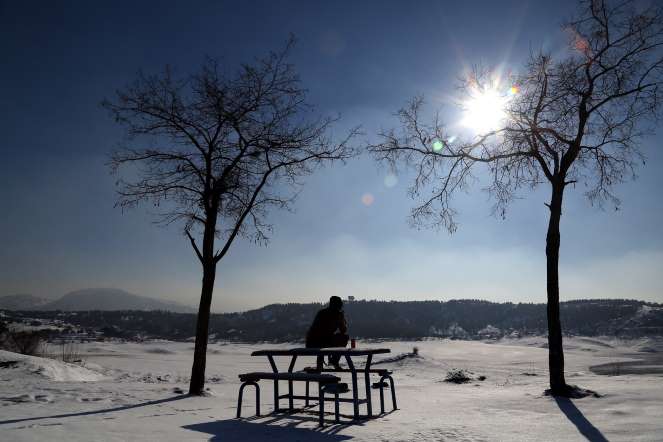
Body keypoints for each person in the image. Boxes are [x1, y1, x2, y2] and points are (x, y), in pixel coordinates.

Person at [305, 296, 349, 368]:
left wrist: (342, 319)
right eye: (340, 305)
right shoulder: (324, 313)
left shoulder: (328, 313)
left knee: (343, 337)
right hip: (315, 342)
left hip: (318, 341)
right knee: (343, 338)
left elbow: (343, 330)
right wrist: (341, 319)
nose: (341, 306)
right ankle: (332, 362)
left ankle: (332, 362)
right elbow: (319, 332)